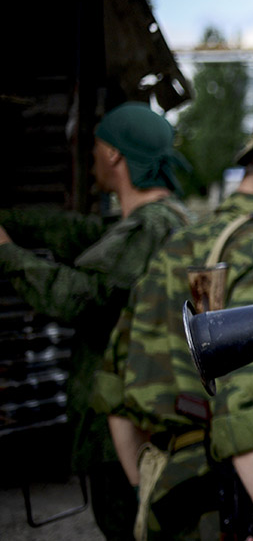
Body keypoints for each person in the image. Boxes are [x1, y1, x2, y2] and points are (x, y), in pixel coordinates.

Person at [95, 92, 253, 540]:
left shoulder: (182, 242)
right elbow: (247, 389)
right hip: (246, 495)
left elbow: (114, 384)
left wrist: (146, 485)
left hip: (173, 491)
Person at [0, 100, 191, 539]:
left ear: (113, 155)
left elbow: (77, 297)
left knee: (132, 527)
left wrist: (7, 252)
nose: (90, 159)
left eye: (94, 149)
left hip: (125, 424)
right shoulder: (158, 220)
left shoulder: (148, 228)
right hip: (139, 415)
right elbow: (75, 231)